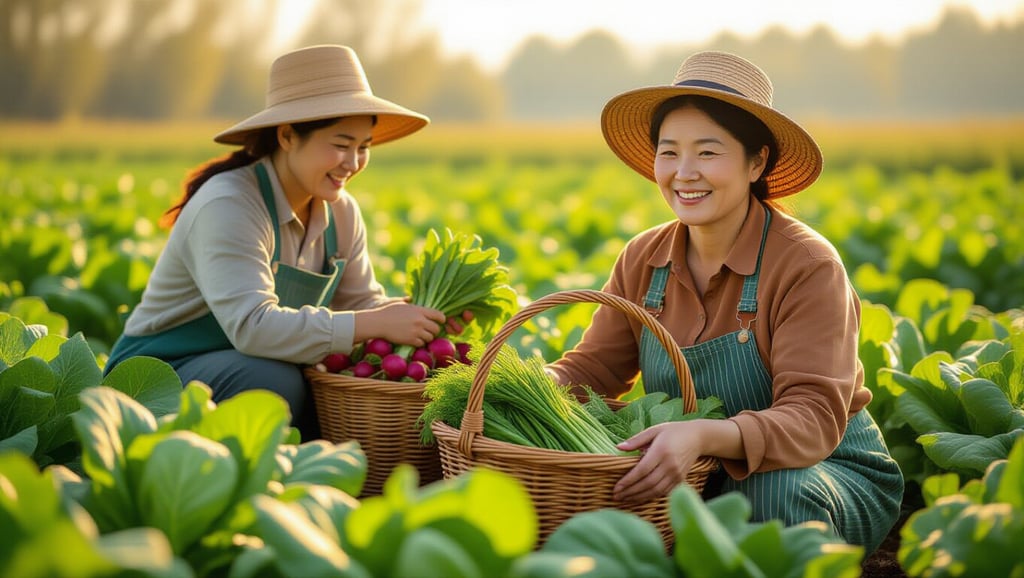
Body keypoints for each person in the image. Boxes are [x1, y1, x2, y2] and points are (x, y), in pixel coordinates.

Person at [545, 51, 903, 552]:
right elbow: (596, 369)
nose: (684, 173)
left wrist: (703, 436)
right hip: (694, 470)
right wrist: (534, 384)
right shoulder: (643, 256)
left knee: (772, 493)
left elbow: (815, 414)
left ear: (756, 162)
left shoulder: (806, 265)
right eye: (669, 153)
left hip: (821, 472)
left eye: (708, 153)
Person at [105, 45, 466, 439]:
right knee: (275, 379)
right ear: (288, 136)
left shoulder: (341, 212)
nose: (353, 162)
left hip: (243, 363)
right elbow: (253, 327)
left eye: (363, 147)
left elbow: (360, 306)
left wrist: (417, 315)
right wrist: (376, 321)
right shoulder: (229, 204)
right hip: (156, 378)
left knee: (314, 374)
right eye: (341, 144)